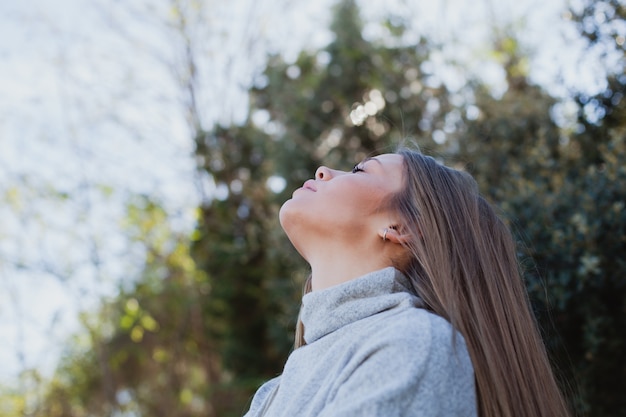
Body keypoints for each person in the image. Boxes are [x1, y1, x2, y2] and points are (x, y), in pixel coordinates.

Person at [243, 147, 571, 417]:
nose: (323, 171)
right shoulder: (272, 392)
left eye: (359, 171)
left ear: (402, 226)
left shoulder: (414, 342)